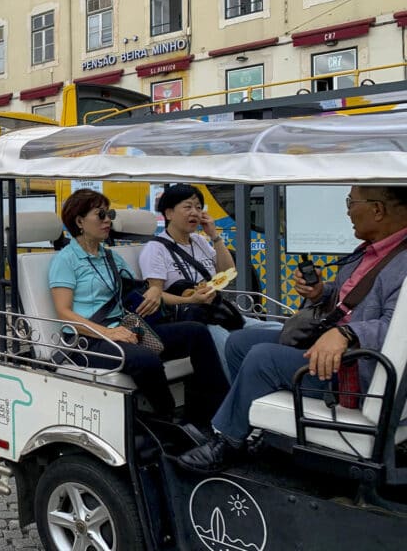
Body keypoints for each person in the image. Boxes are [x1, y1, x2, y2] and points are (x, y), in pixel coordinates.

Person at [175, 186, 407, 473]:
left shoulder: (402, 261)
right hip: (332, 345)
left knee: (263, 358)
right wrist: (322, 292)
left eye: (351, 202)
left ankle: (228, 441)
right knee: (239, 342)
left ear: (377, 210)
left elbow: (397, 327)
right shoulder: (371, 251)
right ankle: (255, 427)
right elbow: (350, 300)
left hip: (356, 368)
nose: (347, 210)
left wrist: (347, 334)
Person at [49, 188, 229, 421]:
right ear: (80, 221)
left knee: (196, 332)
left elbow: (138, 289)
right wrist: (109, 333)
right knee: (145, 359)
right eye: (101, 215)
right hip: (88, 340)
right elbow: (64, 313)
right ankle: (169, 420)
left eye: (110, 215)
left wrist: (156, 290)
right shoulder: (65, 260)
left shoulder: (111, 256)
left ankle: (214, 414)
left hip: (127, 327)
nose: (107, 221)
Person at [139, 184, 279, 376]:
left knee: (280, 331)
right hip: (193, 319)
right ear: (169, 213)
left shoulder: (200, 241)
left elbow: (228, 271)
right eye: (187, 207)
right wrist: (190, 300)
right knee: (230, 349)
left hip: (218, 312)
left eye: (198, 207)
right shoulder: (155, 249)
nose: (194, 213)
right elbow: (155, 294)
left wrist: (214, 236)